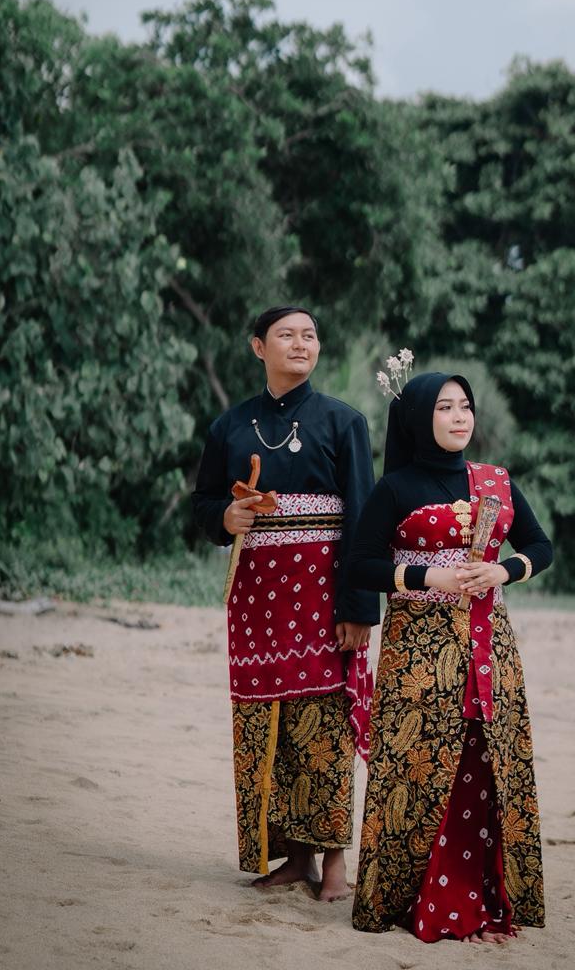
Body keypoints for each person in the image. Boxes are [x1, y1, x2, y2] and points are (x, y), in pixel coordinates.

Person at [348, 371, 552, 943]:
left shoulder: (496, 481)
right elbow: (360, 564)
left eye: (466, 406)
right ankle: (408, 899)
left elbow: (540, 545)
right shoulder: (396, 488)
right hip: (418, 655)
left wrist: (502, 570)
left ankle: (478, 898)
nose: (460, 417)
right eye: (445, 407)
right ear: (419, 417)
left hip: (490, 648)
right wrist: (425, 575)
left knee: (483, 763)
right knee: (415, 766)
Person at [192, 306, 379, 901]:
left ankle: (335, 865)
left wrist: (358, 608)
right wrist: (226, 516)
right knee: (267, 723)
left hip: (324, 599)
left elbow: (365, 520)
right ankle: (295, 860)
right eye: (286, 335)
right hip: (256, 605)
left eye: (310, 335)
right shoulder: (229, 427)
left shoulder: (344, 422)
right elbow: (203, 505)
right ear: (258, 347)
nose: (301, 344)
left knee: (325, 727)